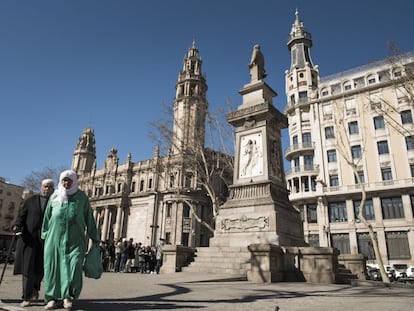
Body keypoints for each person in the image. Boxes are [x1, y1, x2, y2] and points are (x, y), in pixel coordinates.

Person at [41, 170, 99, 310]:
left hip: (75, 240)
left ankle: (68, 296)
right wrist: (45, 235)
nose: (66, 183)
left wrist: (94, 237)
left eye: (69, 180)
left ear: (74, 181)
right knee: (52, 268)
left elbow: (89, 218)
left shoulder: (81, 197)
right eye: (64, 180)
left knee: (74, 267)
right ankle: (52, 298)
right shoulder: (54, 196)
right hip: (54, 239)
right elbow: (47, 218)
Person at [13, 179, 54, 307]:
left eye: (49, 187)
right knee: (27, 269)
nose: (46, 189)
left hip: (46, 241)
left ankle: (36, 287)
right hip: (29, 239)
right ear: (41, 187)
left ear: (53, 189)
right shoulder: (30, 201)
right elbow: (21, 216)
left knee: (40, 269)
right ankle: (26, 297)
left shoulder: (55, 202)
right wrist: (17, 225)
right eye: (45, 186)